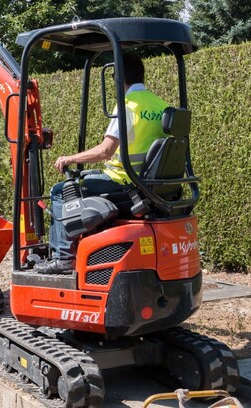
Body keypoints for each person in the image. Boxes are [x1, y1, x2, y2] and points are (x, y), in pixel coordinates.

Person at [34, 53, 170, 274]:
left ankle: (63, 258)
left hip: (124, 183)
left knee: (59, 191)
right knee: (86, 179)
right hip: (148, 184)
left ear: (118, 79)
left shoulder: (127, 106)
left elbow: (106, 151)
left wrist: (70, 158)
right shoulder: (160, 106)